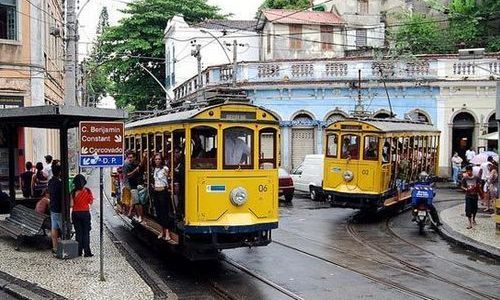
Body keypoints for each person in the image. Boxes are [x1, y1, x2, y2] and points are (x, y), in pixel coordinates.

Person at [71, 174, 94, 257]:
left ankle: (79, 251)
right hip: (85, 213)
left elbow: (71, 204)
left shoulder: (73, 192)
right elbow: (90, 202)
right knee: (86, 233)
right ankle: (87, 252)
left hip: (76, 213)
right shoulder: (87, 191)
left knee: (78, 233)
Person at [152, 153, 171, 241]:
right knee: (158, 213)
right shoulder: (154, 169)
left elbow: (169, 178)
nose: (157, 161)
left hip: (163, 192)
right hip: (156, 192)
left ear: (161, 160)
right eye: (156, 159)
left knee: (164, 212)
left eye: (159, 159)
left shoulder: (165, 168)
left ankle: (167, 232)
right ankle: (162, 231)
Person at [123, 151, 143, 222]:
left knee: (139, 201)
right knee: (136, 201)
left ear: (134, 157)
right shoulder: (127, 165)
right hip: (132, 185)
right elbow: (128, 175)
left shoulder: (137, 164)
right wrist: (136, 170)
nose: (130, 159)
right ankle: (138, 216)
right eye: (129, 158)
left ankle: (139, 215)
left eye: (131, 157)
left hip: (139, 184)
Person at [48, 163, 63, 253]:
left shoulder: (50, 182)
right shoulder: (59, 183)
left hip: (52, 207)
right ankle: (63, 246)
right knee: (62, 227)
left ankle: (55, 247)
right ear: (60, 172)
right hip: (59, 208)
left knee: (54, 227)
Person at [461, 165, 481, 229]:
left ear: (471, 171)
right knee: (468, 209)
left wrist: (477, 187)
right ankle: (469, 223)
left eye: (469, 171)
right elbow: (462, 186)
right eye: (467, 171)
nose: (468, 172)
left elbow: (480, 184)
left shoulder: (476, 177)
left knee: (474, 209)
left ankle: (474, 219)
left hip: (475, 195)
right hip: (468, 196)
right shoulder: (465, 178)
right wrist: (466, 189)